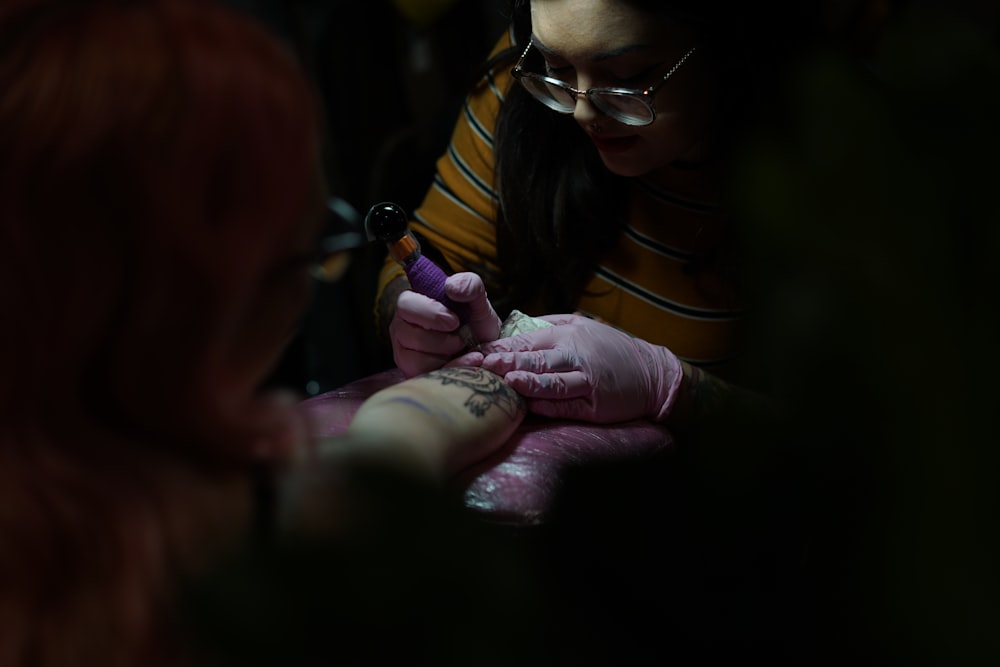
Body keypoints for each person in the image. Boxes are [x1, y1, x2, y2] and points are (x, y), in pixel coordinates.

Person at [0, 1, 528, 664]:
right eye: (310, 246)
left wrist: (402, 430)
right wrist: (395, 449)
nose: (314, 269)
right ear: (191, 289)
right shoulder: (230, 576)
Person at [375, 0, 820, 431]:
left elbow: (856, 457)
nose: (584, 112)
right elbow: (434, 248)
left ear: (727, 41)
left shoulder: (829, 167)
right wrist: (408, 311)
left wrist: (670, 386)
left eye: (628, 77)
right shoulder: (524, 80)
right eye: (559, 67)